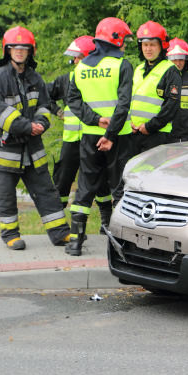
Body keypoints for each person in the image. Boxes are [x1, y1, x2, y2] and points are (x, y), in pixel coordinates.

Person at [0, 25, 70, 250]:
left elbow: (43, 105)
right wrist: (26, 127)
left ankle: (60, 233)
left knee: (46, 191)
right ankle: (10, 235)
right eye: (15, 48)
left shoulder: (35, 78)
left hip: (32, 150)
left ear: (30, 51)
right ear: (8, 50)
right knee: (6, 197)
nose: (20, 51)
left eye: (24, 48)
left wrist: (41, 124)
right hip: (5, 152)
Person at [65, 17, 134, 256]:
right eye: (124, 40)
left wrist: (94, 120)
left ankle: (75, 242)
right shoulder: (122, 65)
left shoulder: (81, 68)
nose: (125, 45)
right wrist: (111, 134)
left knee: (85, 185)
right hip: (119, 138)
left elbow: (72, 100)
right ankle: (119, 243)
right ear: (116, 39)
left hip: (89, 137)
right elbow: (123, 105)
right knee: (119, 189)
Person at [48, 36, 114, 230]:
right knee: (62, 181)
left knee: (101, 182)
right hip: (71, 141)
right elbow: (45, 95)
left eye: (78, 57)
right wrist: (58, 112)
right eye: (74, 58)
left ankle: (106, 222)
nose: (74, 61)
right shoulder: (65, 80)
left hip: (93, 137)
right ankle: (58, 225)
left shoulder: (100, 78)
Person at [129, 21, 183, 154]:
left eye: (152, 45)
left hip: (157, 135)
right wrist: (129, 122)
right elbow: (130, 100)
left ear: (161, 46)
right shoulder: (138, 69)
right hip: (134, 133)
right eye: (145, 45)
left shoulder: (170, 71)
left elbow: (171, 106)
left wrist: (150, 127)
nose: (148, 49)